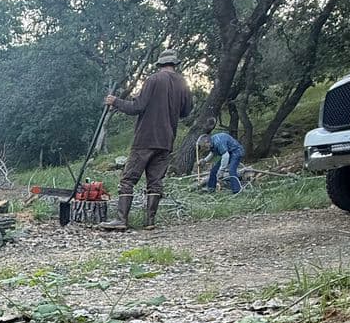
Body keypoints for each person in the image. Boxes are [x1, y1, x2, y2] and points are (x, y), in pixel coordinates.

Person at [100, 49, 193, 230]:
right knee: (155, 182)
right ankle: (150, 222)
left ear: (159, 64)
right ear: (175, 64)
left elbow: (138, 107)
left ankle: (121, 220)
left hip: (146, 138)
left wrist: (116, 102)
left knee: (128, 179)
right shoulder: (183, 84)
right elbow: (186, 112)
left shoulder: (153, 80)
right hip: (166, 140)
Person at [203, 128, 245, 194]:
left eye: (205, 147)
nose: (205, 149)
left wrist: (221, 170)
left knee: (232, 170)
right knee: (213, 170)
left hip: (236, 151)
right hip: (228, 152)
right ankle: (211, 189)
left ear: (207, 142)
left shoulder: (218, 142)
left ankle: (237, 190)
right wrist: (204, 160)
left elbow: (226, 156)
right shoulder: (211, 142)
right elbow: (212, 153)